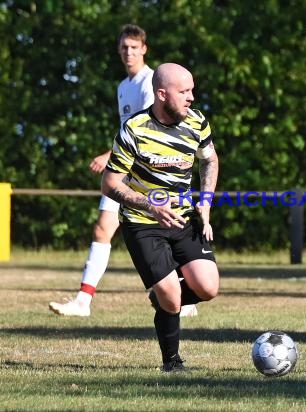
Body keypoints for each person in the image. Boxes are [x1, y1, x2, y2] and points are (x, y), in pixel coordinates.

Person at [48, 24, 198, 318]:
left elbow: (147, 125)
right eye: (124, 48)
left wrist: (108, 155)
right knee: (103, 229)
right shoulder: (123, 86)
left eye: (134, 47)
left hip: (150, 170)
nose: (128, 52)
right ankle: (84, 300)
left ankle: (186, 297)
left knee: (168, 227)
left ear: (144, 49)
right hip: (125, 170)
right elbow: (126, 131)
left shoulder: (149, 83)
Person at [102, 62, 220, 372]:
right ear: (162, 94)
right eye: (184, 92)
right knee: (170, 293)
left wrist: (205, 204)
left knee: (208, 287)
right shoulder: (134, 129)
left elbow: (210, 160)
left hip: (183, 219)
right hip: (143, 224)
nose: (191, 97)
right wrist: (151, 207)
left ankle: (167, 302)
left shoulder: (196, 122)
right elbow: (110, 183)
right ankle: (172, 362)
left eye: (192, 90)